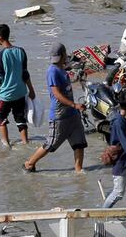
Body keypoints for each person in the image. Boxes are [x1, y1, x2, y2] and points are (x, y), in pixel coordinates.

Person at [24, 43, 88, 173]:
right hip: (60, 116)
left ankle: (78, 172)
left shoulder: (62, 69)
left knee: (79, 143)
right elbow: (57, 94)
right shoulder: (52, 71)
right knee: (51, 143)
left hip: (72, 114)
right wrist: (74, 105)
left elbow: (66, 85)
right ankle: (29, 163)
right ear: (63, 54)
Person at [0, 24, 35, 147]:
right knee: (20, 118)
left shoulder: (1, 55)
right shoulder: (21, 51)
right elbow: (25, 74)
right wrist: (31, 90)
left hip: (6, 95)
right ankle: (25, 142)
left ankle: (6, 144)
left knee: (0, 117)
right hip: (20, 92)